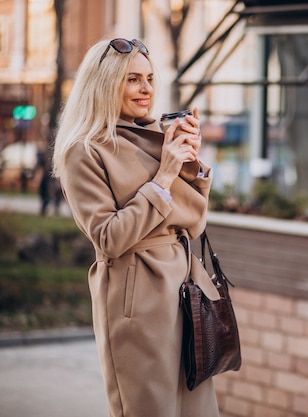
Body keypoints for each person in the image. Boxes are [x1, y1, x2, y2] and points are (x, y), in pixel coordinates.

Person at [52, 38, 221, 417]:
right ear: (105, 84)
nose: (146, 90)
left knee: (197, 408)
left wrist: (190, 162)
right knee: (151, 407)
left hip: (184, 288)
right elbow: (109, 238)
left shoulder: (156, 135)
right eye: (132, 80)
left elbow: (192, 223)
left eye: (148, 78)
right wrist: (164, 175)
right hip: (137, 294)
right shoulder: (85, 151)